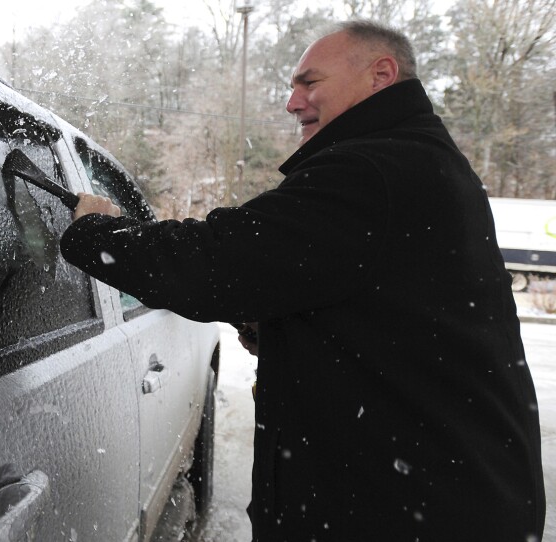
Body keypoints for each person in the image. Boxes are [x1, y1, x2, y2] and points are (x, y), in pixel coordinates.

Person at [59, 19, 546, 541]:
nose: (293, 103)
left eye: (308, 82)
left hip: (405, 512)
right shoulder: (418, 161)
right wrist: (289, 332)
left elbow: (217, 263)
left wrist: (95, 231)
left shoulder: (371, 172)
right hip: (440, 496)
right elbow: (387, 308)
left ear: (381, 74)